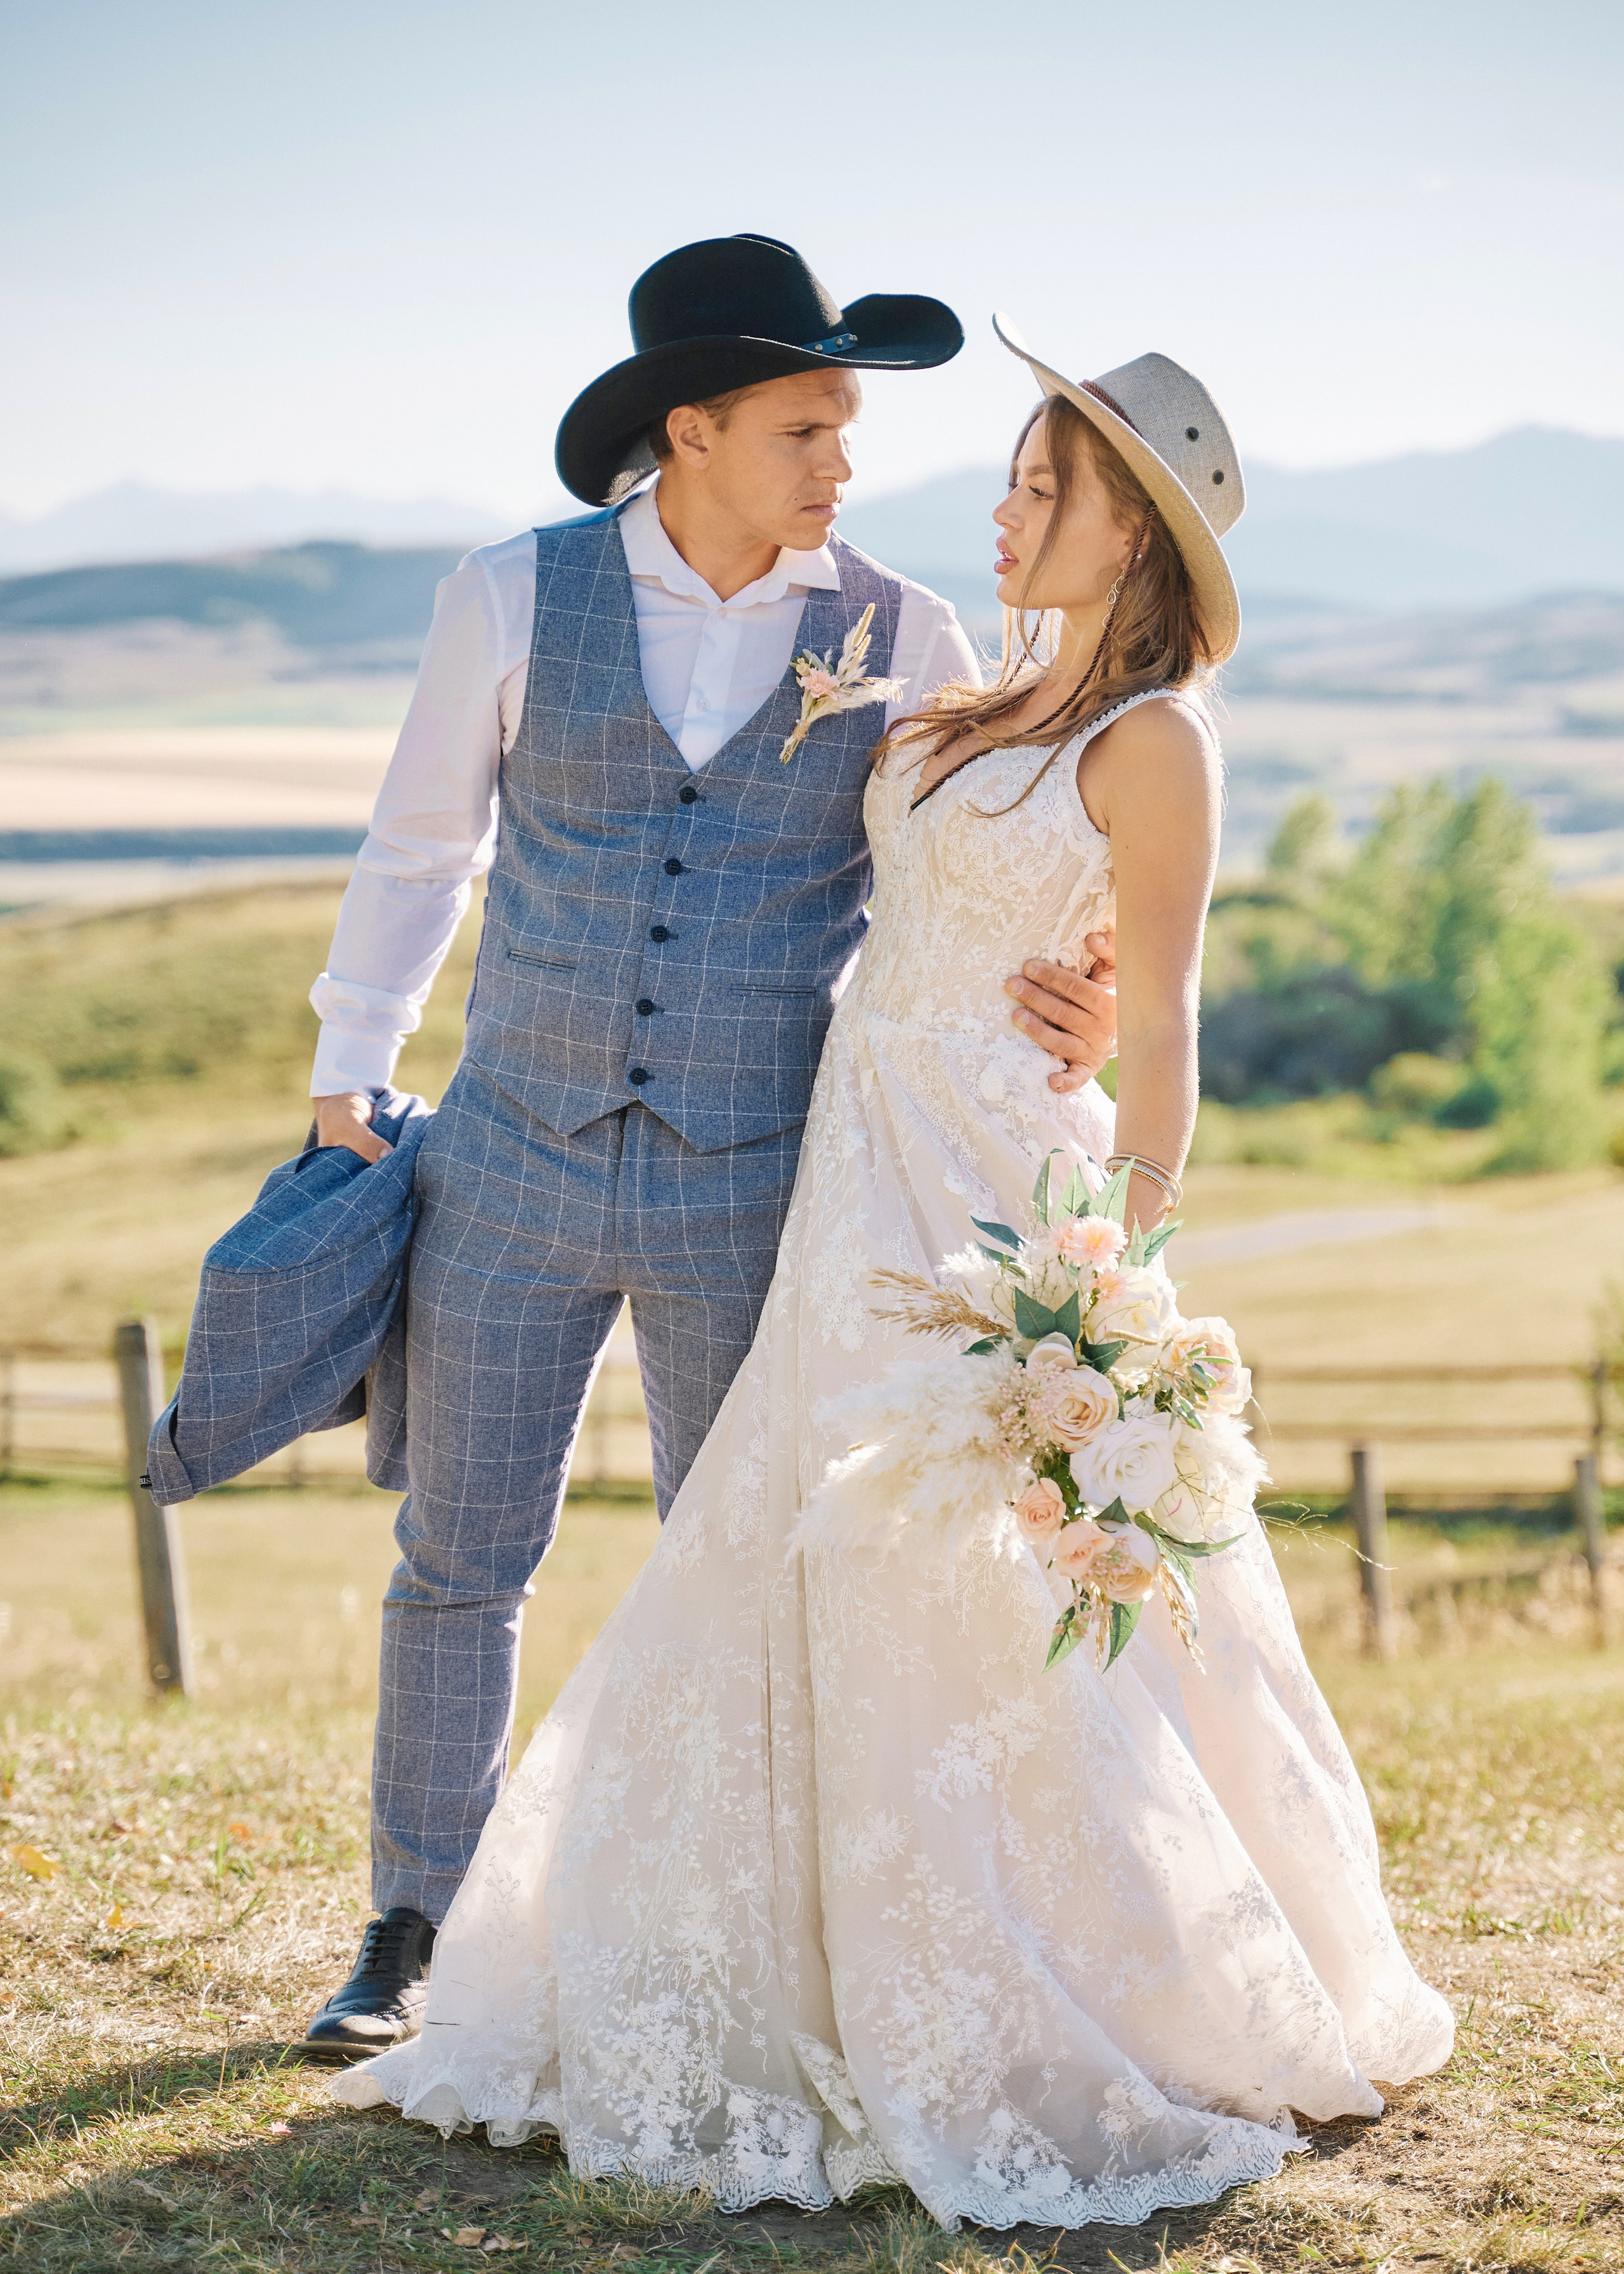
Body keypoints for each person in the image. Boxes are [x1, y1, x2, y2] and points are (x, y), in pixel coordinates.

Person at [329, 318, 1454, 2228]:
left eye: (1048, 489)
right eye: (1012, 478)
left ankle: (1058, 1961)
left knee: (983, 1573)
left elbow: (1162, 1010)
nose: (1002, 509)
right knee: (798, 1548)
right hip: (849, 1173)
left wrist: (1127, 1253)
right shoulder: (961, 691)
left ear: (1139, 538)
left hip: (1001, 1194)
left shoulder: (1150, 734)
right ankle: (763, 1949)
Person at [299, 239, 1120, 2058]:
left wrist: (1088, 993)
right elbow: (420, 843)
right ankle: (414, 1926)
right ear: (692, 427)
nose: (845, 461)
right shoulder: (513, 594)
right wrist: (350, 1065)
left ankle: (732, 1939)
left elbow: (975, 866)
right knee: (457, 1554)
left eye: (847, 425)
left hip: (759, 1173)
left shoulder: (905, 633)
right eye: (809, 425)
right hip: (508, 1159)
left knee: (742, 1553)